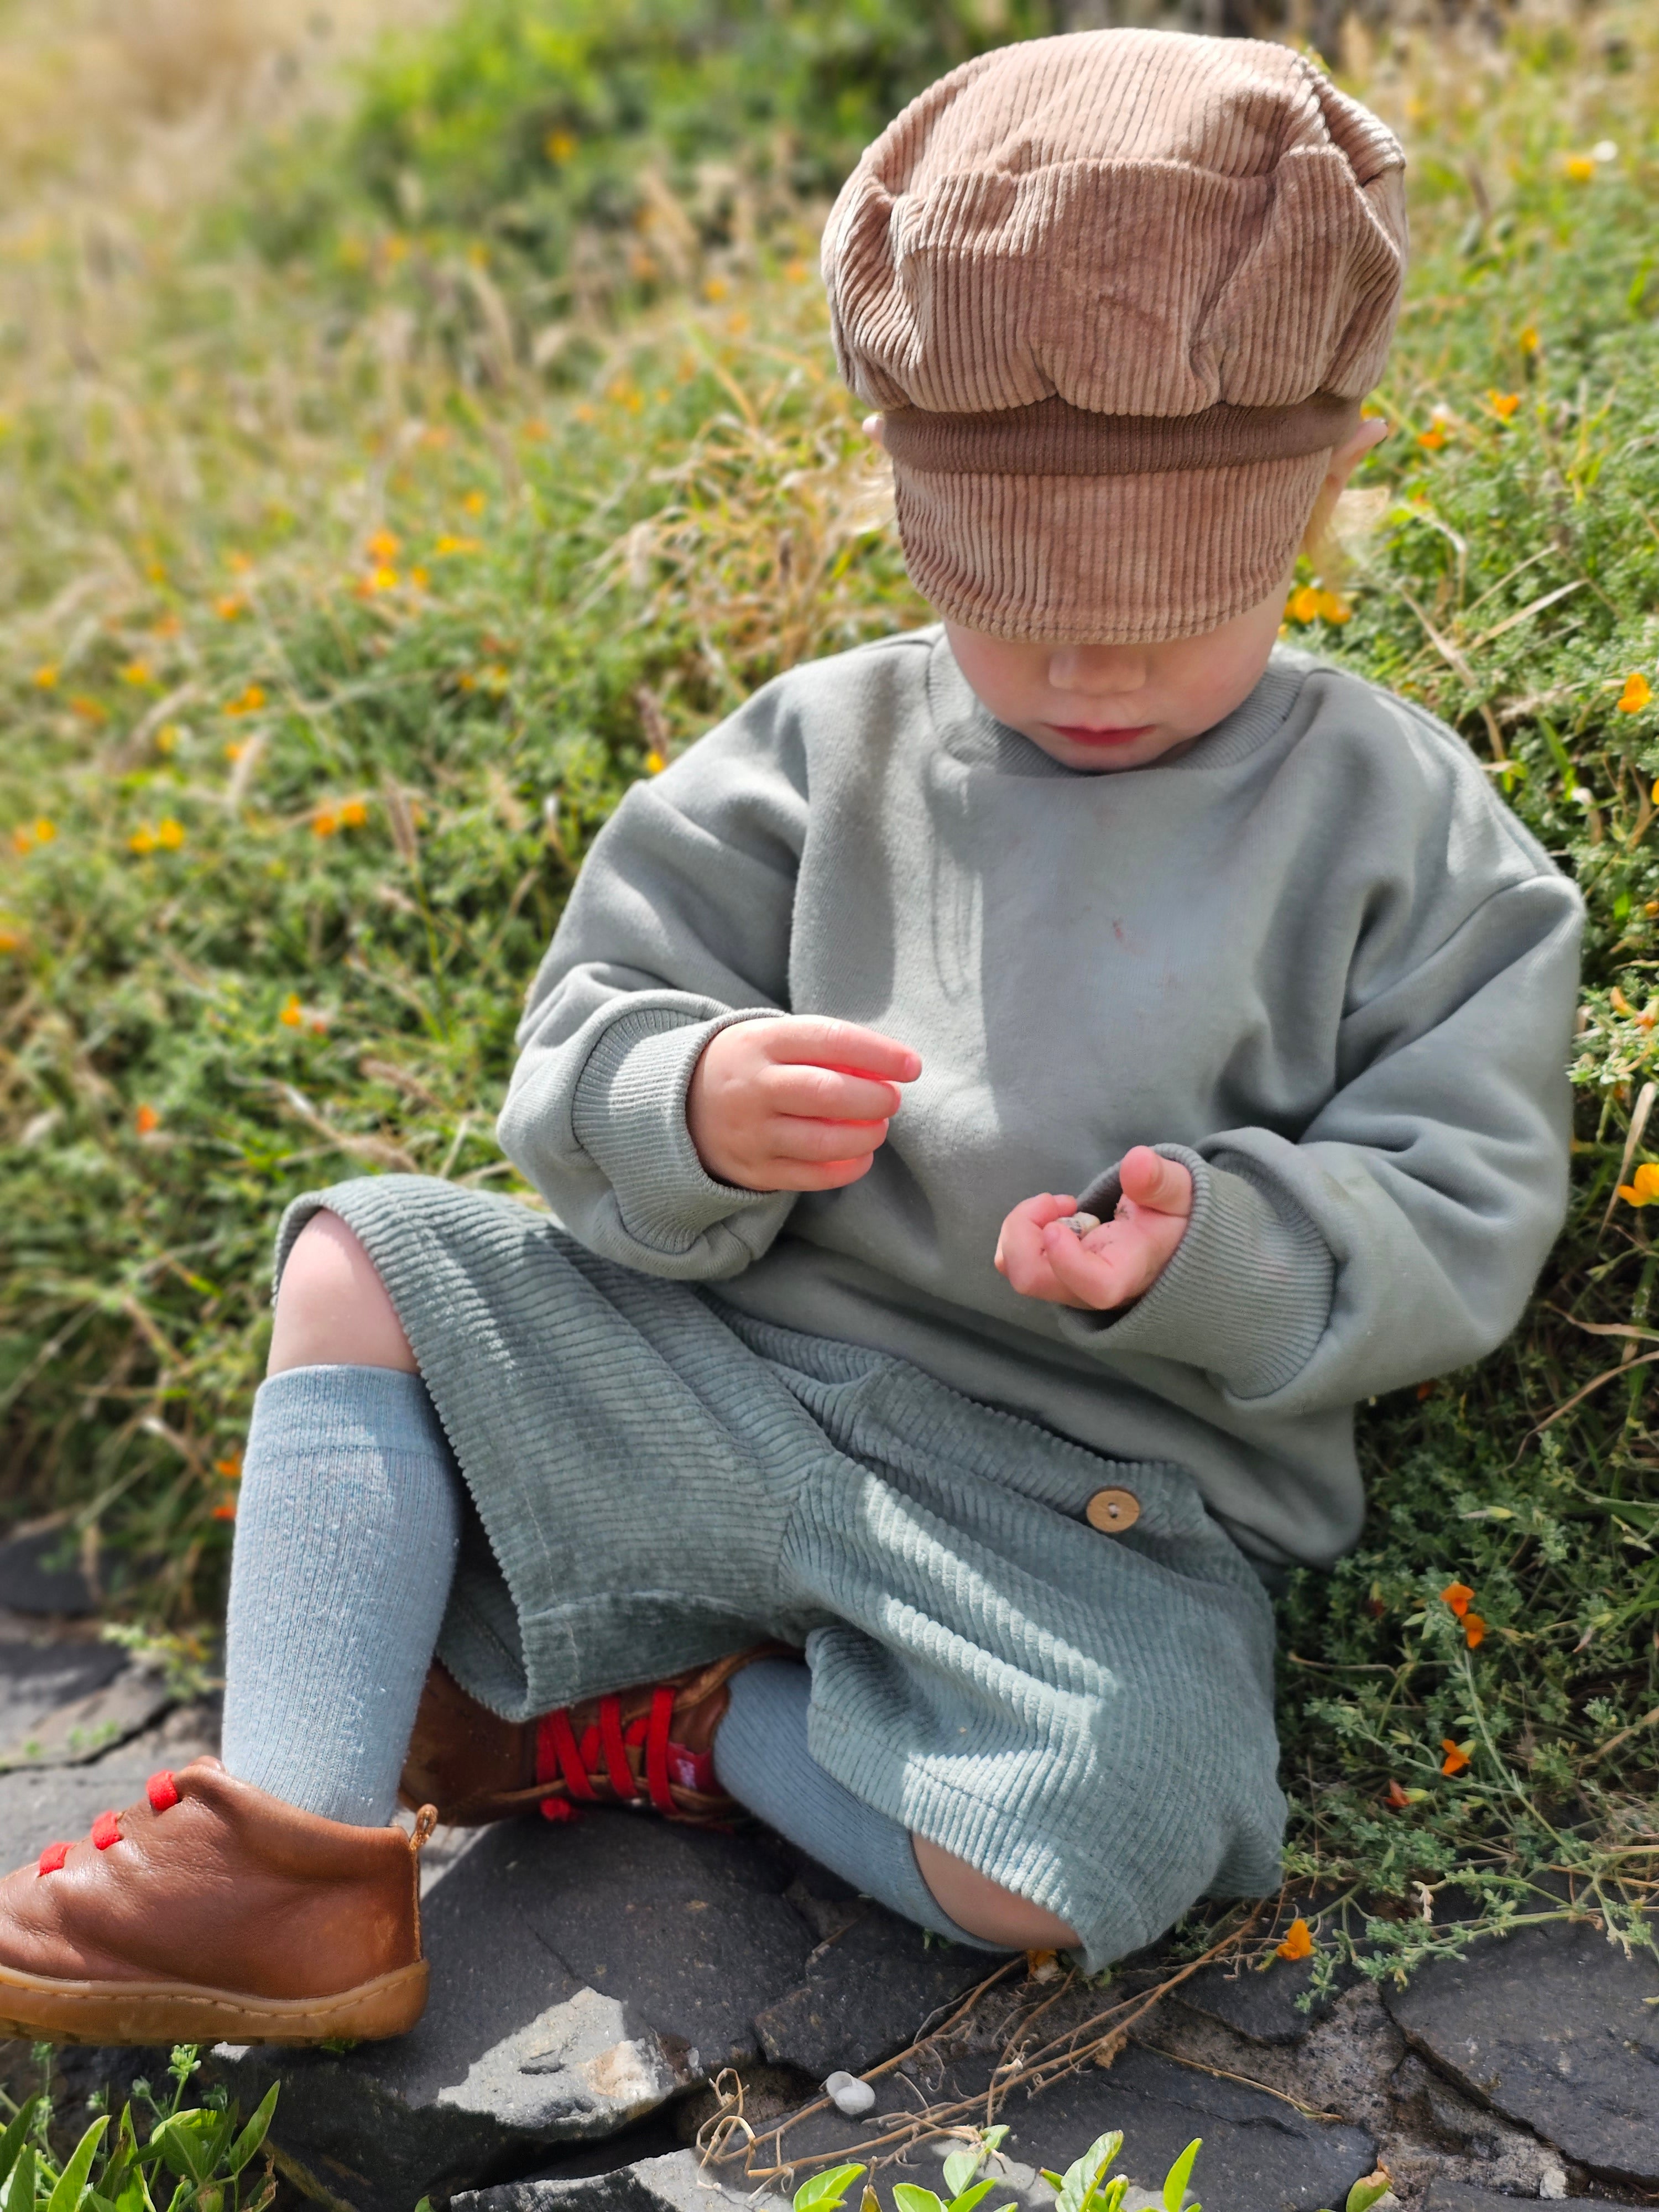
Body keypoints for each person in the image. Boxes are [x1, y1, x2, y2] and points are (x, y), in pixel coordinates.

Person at [0, 28, 1581, 2047]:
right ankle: (296, 1856)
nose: (1085, 672)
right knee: (364, 1261)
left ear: (1327, 485)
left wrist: (1217, 1251)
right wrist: (690, 1104)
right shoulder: (820, 752)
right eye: (1012, 610)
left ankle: (663, 1723)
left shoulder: (1408, 828)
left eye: (1167, 614)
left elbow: (1467, 1199)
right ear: (909, 508)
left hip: (1091, 1507)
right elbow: (589, 1035)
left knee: (1096, 1845)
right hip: (730, 1387)